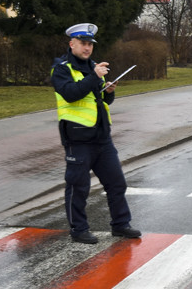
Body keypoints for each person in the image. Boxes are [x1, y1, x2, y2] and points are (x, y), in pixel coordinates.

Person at [51, 22, 141, 244]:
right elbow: (71, 94)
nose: (87, 47)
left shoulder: (93, 67)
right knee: (78, 187)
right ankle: (78, 230)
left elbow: (98, 100)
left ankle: (121, 225)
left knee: (117, 183)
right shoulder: (62, 68)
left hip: (102, 137)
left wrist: (108, 91)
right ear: (71, 43)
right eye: (83, 43)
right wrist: (94, 76)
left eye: (90, 44)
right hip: (77, 138)